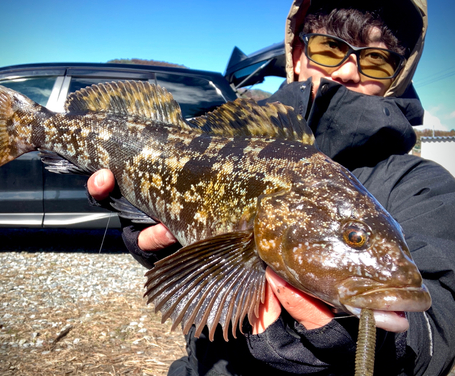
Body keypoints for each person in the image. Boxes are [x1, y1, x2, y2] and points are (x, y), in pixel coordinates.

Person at [87, 0, 455, 374]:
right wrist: (172, 250)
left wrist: (392, 349)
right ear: (297, 53)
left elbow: (442, 309)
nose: (347, 70)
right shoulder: (254, 136)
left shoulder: (421, 184)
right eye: (330, 48)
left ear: (396, 77)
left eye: (376, 59)